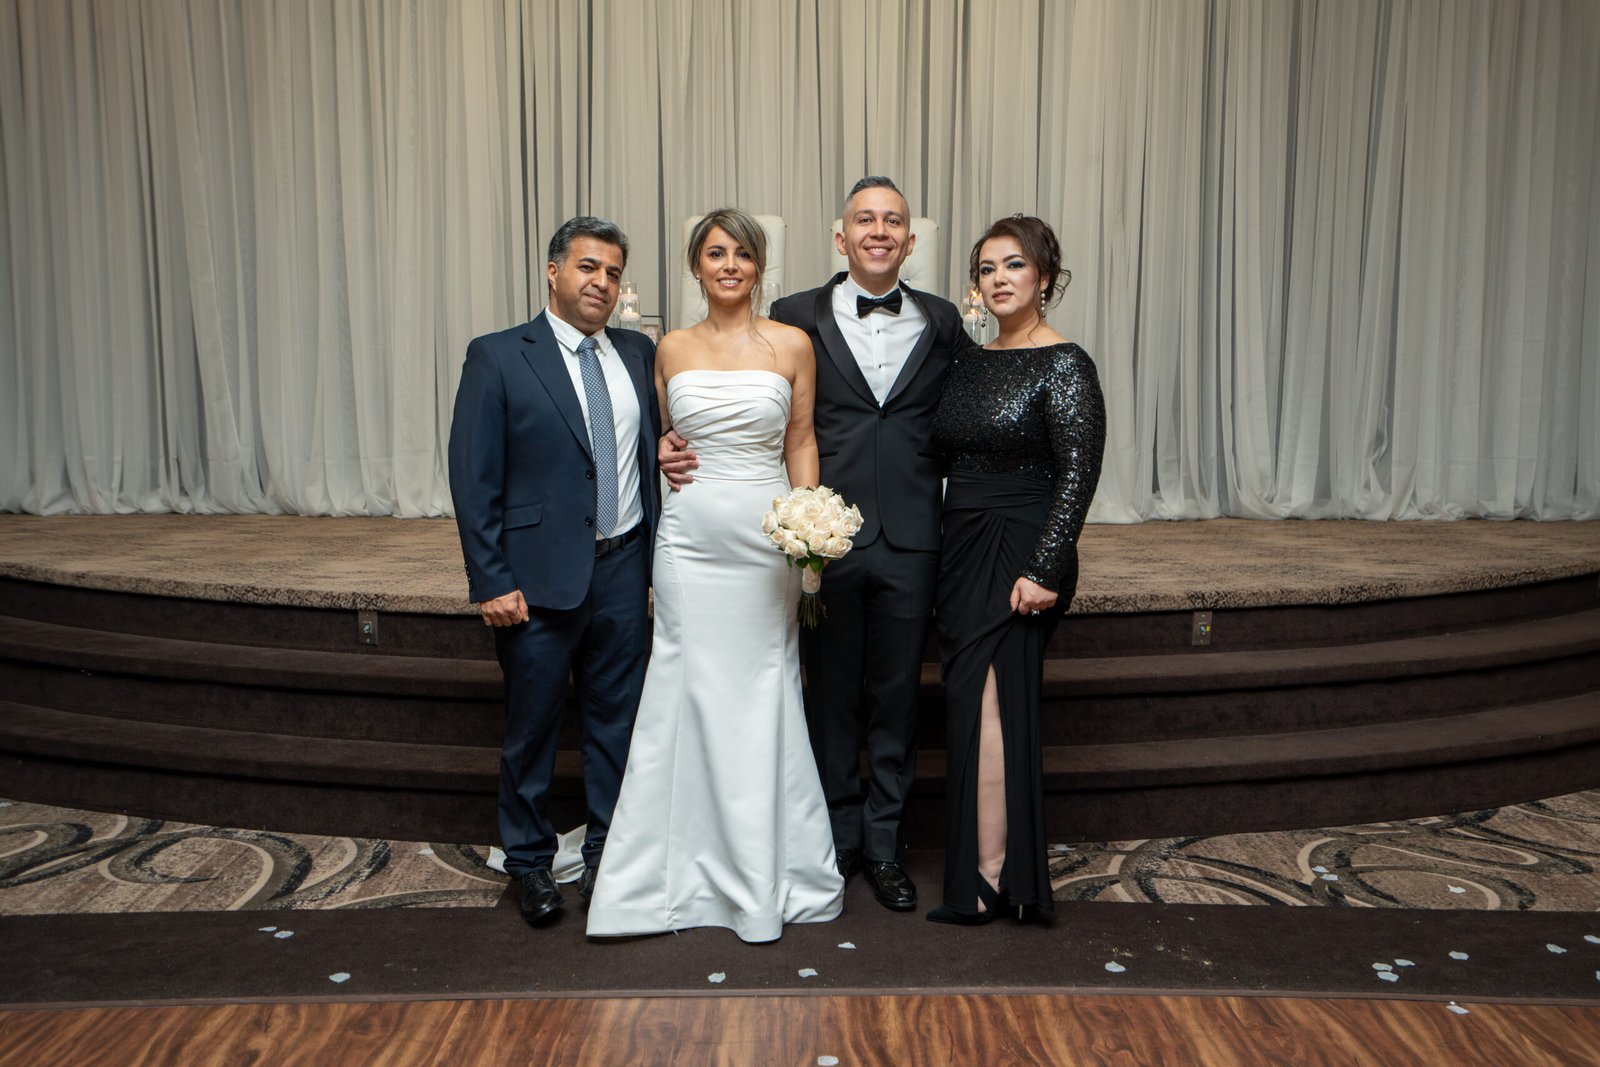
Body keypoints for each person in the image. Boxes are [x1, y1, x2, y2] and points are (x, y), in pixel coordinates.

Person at [664, 178, 972, 912]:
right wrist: (670, 441)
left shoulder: (943, 320)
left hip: (912, 537)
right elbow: (765, 410)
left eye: (892, 221)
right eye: (864, 219)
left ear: (910, 240)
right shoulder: (793, 318)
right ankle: (834, 838)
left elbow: (968, 413)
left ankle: (886, 844)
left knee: (897, 697)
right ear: (841, 237)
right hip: (824, 536)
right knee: (828, 694)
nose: (878, 231)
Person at [587, 208, 844, 943]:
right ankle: (670, 872)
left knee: (763, 687)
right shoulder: (668, 347)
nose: (729, 265)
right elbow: (659, 438)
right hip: (690, 541)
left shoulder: (792, 344)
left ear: (759, 267)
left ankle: (766, 867)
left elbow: (801, 440)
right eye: (715, 253)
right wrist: (663, 452)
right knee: (685, 683)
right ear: (696, 266)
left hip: (766, 543)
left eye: (742, 254)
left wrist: (808, 527)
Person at [447, 216, 661, 928]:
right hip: (535, 579)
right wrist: (490, 579)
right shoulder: (499, 355)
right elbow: (473, 475)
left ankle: (607, 854)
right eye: (587, 267)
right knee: (532, 727)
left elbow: (650, 446)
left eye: (612, 272)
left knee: (615, 724)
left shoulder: (638, 352)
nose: (602, 282)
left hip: (624, 568)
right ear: (553, 271)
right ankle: (530, 862)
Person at [926, 215, 1106, 925]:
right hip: (962, 546)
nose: (998, 279)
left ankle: (992, 875)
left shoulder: (1066, 363)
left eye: (1014, 265)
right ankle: (990, 868)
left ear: (1045, 278)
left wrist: (1046, 566)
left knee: (995, 706)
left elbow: (1078, 475)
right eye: (987, 268)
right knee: (969, 704)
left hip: (1022, 551)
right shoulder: (968, 361)